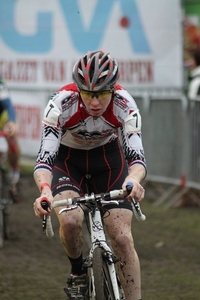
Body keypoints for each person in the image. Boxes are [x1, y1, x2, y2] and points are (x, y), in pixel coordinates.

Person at [33, 50, 146, 300]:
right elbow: (45, 158)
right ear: (78, 89)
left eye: (102, 94)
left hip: (107, 160)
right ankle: (77, 273)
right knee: (71, 220)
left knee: (123, 239)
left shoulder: (125, 104)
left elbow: (137, 158)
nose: (95, 102)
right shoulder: (61, 103)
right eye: (88, 93)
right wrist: (44, 190)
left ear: (113, 90)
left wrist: (134, 180)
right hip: (68, 160)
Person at [0, 75, 21, 203]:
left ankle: (14, 177)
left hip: (2, 113)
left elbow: (8, 105)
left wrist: (12, 123)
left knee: (11, 133)